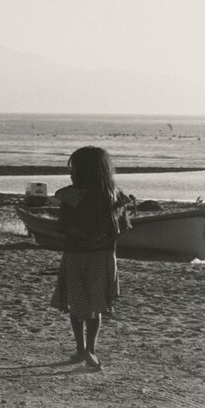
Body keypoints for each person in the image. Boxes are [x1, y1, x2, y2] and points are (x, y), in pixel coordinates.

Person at [51, 146, 130, 369]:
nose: (71, 174)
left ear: (86, 170)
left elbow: (64, 225)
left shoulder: (73, 194)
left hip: (77, 255)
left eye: (75, 169)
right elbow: (123, 228)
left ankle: (82, 350)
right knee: (95, 305)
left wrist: (86, 238)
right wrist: (101, 241)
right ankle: (89, 351)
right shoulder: (113, 193)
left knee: (77, 305)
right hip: (102, 256)